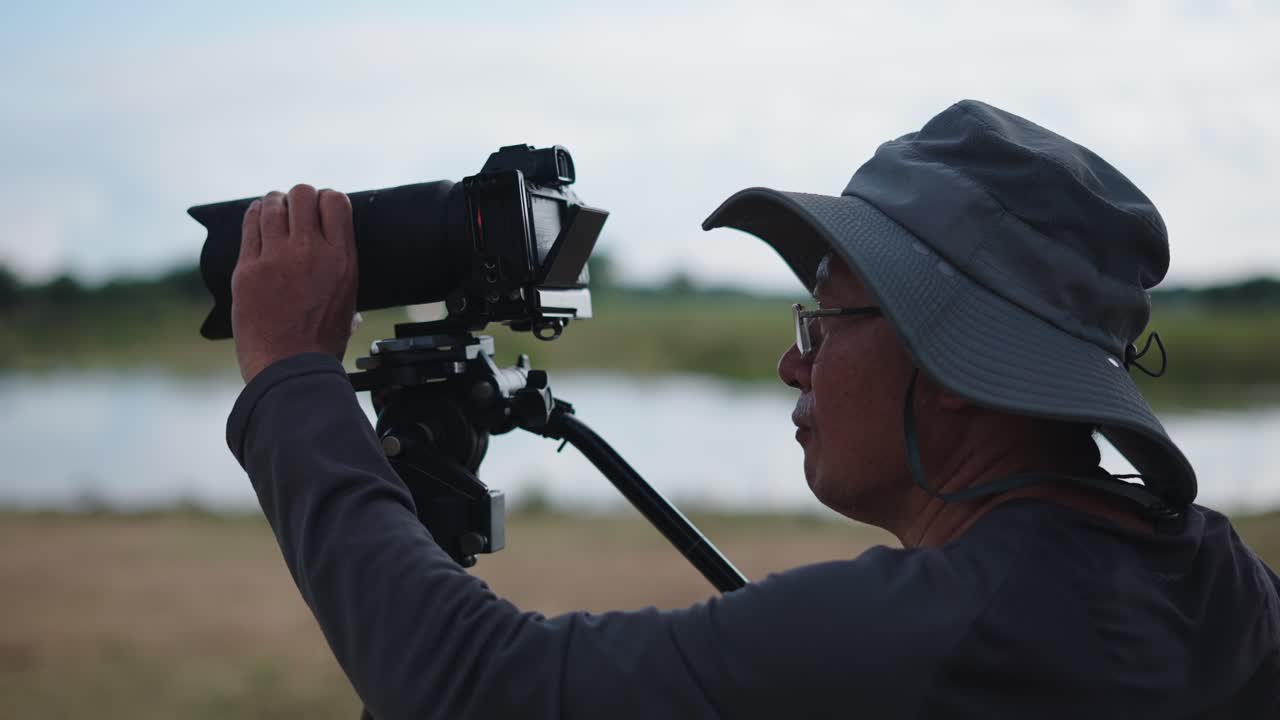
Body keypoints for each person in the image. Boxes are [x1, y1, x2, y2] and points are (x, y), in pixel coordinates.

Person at [226, 100, 1279, 719]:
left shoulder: (924, 631)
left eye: (822, 325)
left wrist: (293, 373)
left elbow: (470, 688)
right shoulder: (1218, 579)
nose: (789, 364)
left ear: (956, 365)